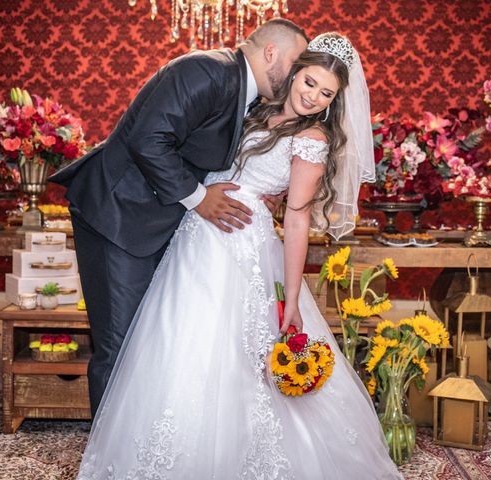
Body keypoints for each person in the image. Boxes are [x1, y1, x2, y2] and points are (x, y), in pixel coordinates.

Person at [76, 32, 402, 479]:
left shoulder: (311, 139)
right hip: (193, 235)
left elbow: (297, 219)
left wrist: (291, 296)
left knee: (229, 350)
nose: (312, 97)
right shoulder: (253, 107)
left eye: (326, 93)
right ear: (292, 71)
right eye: (309, 82)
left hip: (239, 242)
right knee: (173, 341)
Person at [48, 19, 309, 416]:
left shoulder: (248, 94)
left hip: (161, 224)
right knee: (119, 345)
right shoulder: (205, 71)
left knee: (150, 343)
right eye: (296, 63)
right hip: (119, 216)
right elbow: (149, 139)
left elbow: (204, 150)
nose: (297, 77)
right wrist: (200, 198)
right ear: (271, 52)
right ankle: (110, 463)